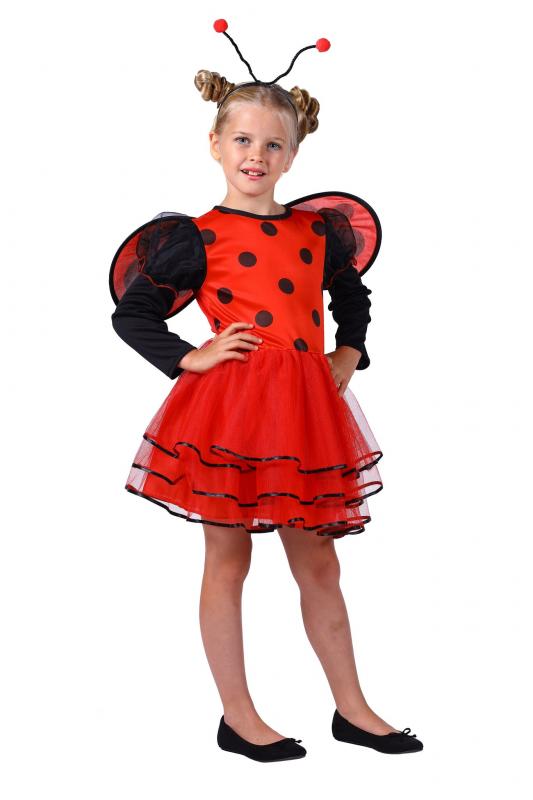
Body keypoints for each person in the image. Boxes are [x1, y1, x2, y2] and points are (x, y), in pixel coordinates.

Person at [109, 19, 423, 762]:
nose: (256, 155)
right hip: (229, 413)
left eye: (273, 144)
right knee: (228, 561)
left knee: (319, 563)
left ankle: (353, 709)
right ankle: (239, 716)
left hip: (307, 413)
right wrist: (190, 358)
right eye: (243, 140)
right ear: (215, 144)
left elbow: (353, 295)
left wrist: (349, 349)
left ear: (293, 154)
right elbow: (132, 313)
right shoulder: (195, 237)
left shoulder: (316, 232)